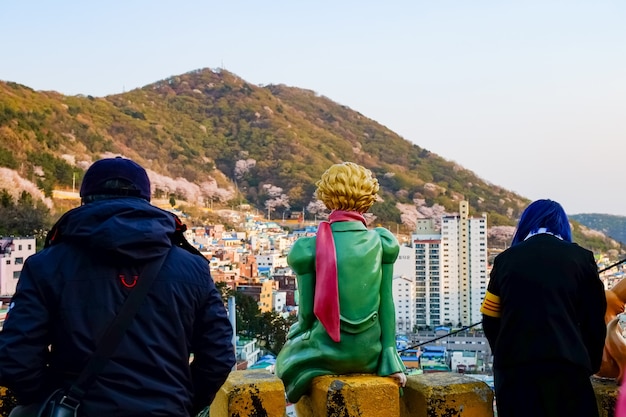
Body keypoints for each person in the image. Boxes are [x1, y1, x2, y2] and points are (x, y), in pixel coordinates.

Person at [0, 157, 235, 416]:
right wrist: (183, 401)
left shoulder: (46, 265)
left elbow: (16, 356)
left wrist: (49, 398)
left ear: (85, 199)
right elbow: (219, 355)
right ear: (146, 200)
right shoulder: (193, 268)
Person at [275, 162, 407, 403]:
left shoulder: (308, 248)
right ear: (368, 198)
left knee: (285, 361)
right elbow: (386, 302)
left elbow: (306, 315)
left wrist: (300, 330)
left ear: (326, 197)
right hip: (370, 353)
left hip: (327, 349)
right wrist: (389, 352)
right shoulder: (382, 242)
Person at [480, 199, 606, 417]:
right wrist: (590, 363)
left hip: (515, 375)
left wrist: (504, 354)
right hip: (568, 371)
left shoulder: (504, 261)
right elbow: (594, 321)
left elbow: (490, 318)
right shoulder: (582, 259)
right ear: (563, 225)